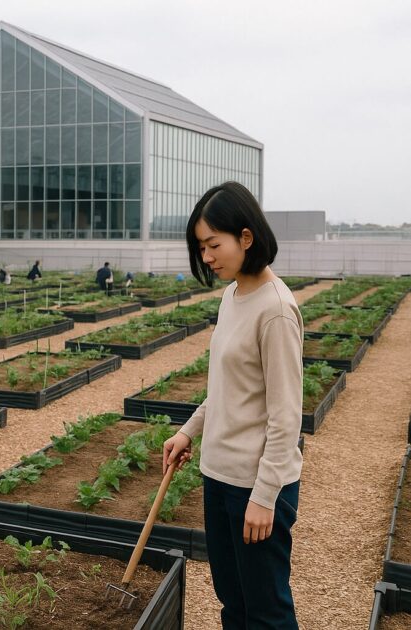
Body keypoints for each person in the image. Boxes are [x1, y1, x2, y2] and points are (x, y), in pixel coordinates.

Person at [163, 181, 302, 629]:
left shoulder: (276, 310)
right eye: (200, 247)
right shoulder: (232, 296)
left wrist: (264, 497)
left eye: (212, 244)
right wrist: (188, 431)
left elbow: (286, 417)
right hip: (218, 476)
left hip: (254, 486)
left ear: (246, 237)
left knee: (267, 611)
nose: (206, 257)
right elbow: (225, 390)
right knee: (233, 603)